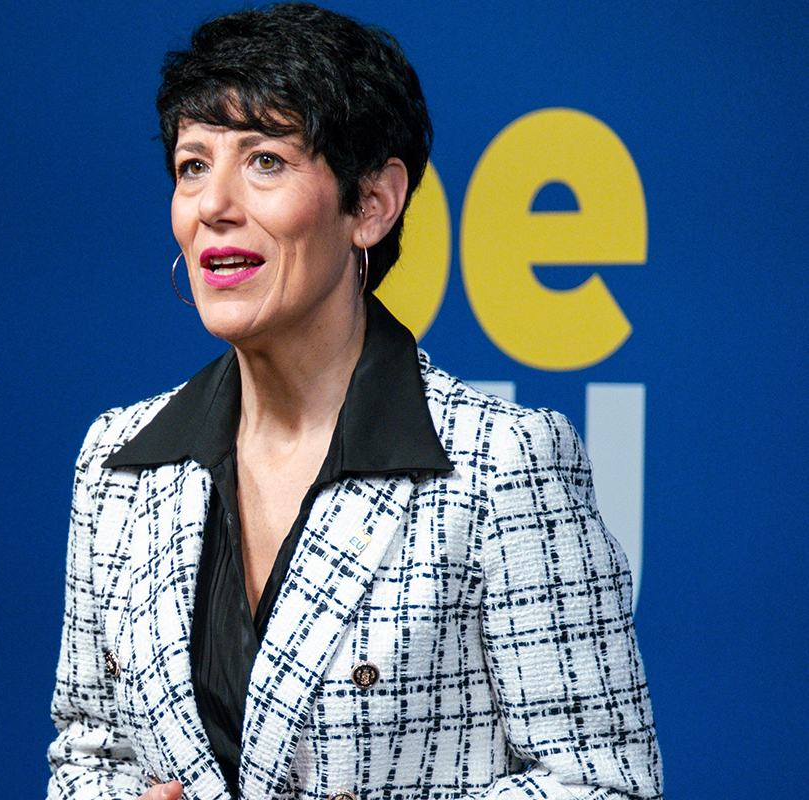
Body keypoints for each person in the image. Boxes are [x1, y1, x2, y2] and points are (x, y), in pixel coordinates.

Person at [45, 5, 662, 800]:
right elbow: (88, 754)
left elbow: (605, 783)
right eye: (192, 165)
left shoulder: (501, 464)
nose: (212, 205)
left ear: (371, 203)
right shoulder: (117, 464)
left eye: (265, 160)